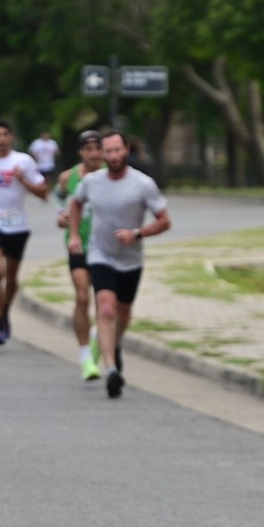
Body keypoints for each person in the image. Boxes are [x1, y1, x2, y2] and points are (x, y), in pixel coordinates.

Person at [68, 130, 172, 398]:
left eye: (117, 150)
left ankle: (113, 345)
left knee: (123, 314)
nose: (113, 156)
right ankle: (112, 370)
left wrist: (136, 234)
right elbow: (76, 204)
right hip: (100, 253)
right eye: (108, 151)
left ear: (126, 150)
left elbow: (164, 221)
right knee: (105, 308)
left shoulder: (143, 184)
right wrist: (75, 235)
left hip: (131, 257)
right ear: (102, 154)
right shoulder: (92, 182)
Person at [0, 120, 49, 345]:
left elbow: (43, 193)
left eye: (5, 134)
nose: (1, 139)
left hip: (18, 225)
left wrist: (22, 179)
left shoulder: (24, 161)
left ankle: (4, 313)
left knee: (12, 278)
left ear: (12, 137)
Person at [55, 130, 106, 381]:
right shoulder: (68, 177)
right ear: (81, 152)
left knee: (105, 302)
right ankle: (85, 356)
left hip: (107, 247)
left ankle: (98, 338)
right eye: (89, 149)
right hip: (78, 245)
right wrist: (61, 216)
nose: (94, 154)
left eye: (98, 148)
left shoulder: (113, 175)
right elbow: (59, 199)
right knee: (83, 296)